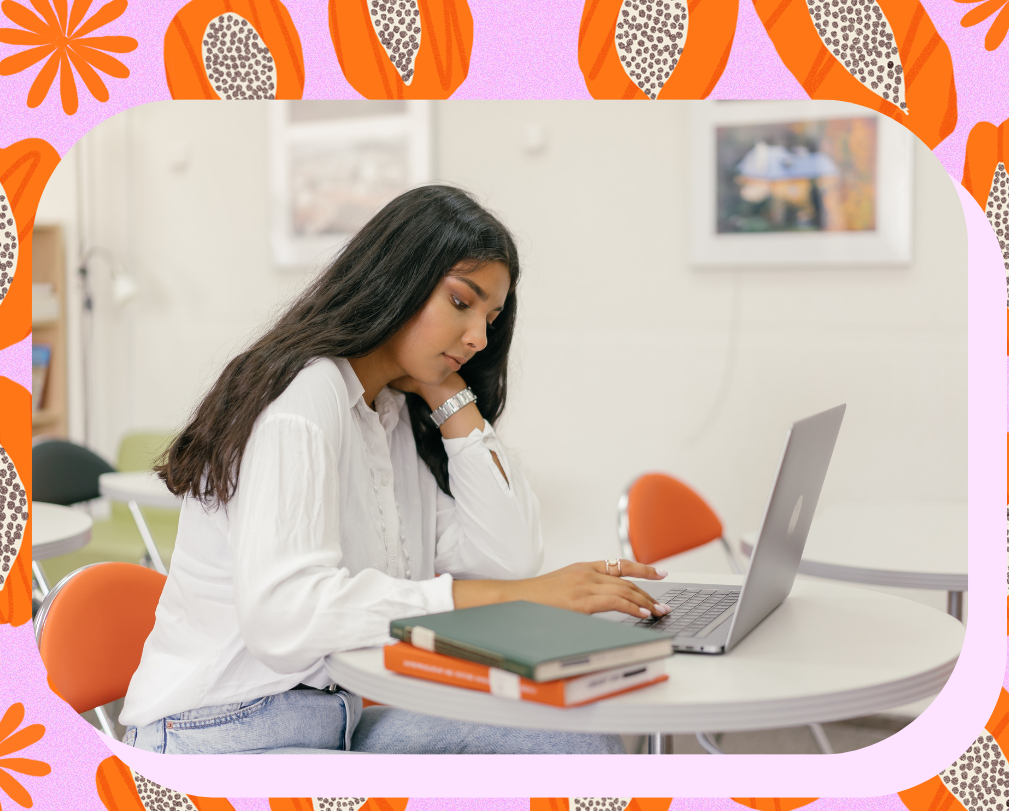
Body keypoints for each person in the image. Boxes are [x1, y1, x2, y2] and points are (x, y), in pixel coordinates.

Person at [118, 185, 672, 754]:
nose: (479, 337)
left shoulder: (390, 414)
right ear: (397, 279)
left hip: (328, 722)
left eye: (490, 317)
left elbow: (506, 560)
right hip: (218, 736)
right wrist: (521, 596)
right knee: (562, 752)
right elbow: (285, 618)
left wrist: (451, 396)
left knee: (567, 730)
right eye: (462, 302)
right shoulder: (305, 398)